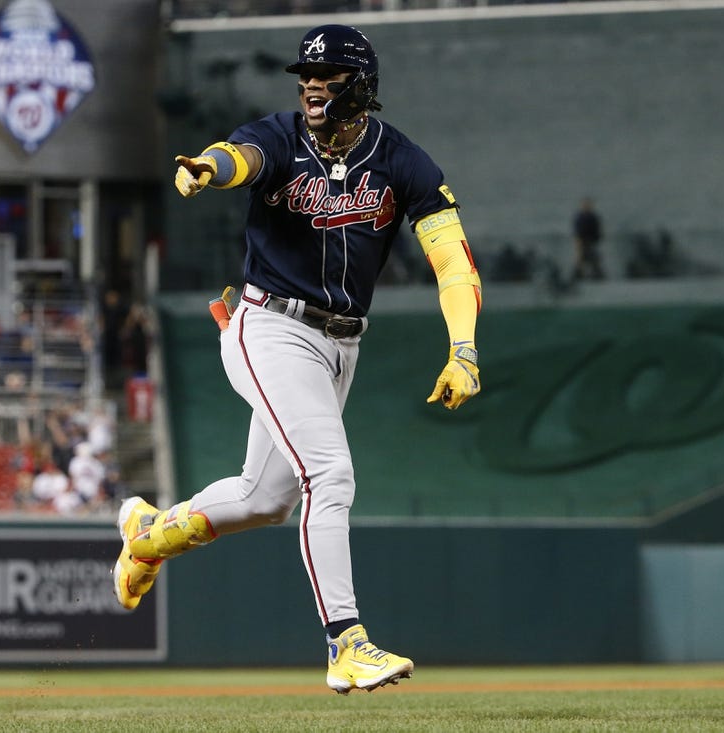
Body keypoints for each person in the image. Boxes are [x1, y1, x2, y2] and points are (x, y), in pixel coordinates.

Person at [112, 24, 482, 694]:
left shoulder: (403, 161)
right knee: (331, 474)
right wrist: (208, 168)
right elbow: (239, 156)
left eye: (329, 80)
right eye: (307, 79)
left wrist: (464, 350)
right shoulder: (282, 136)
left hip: (342, 345)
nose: (313, 91)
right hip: (270, 328)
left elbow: (452, 262)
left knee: (264, 499)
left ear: (361, 90)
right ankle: (347, 641)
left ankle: (148, 535)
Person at [571, 197, 605, 281]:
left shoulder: (593, 217)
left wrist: (597, 238)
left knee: (593, 257)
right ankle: (579, 274)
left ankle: (597, 274)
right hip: (582, 240)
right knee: (581, 258)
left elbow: (597, 229)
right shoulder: (580, 217)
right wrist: (578, 241)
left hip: (591, 241)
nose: (587, 207)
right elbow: (577, 230)